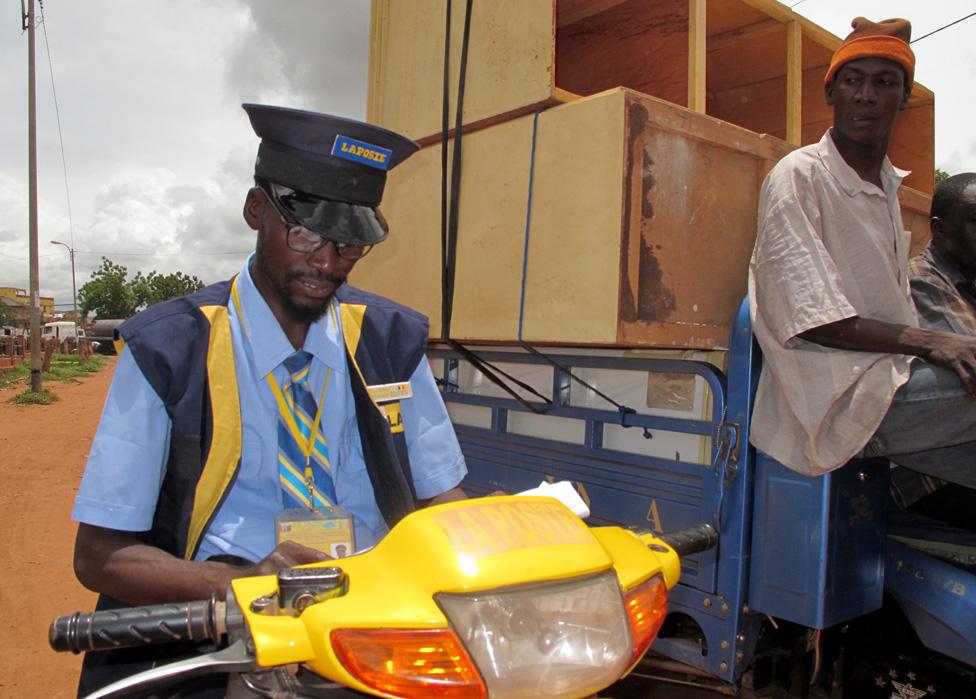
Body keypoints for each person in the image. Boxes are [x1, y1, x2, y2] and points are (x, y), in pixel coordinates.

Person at [70, 104, 468, 696]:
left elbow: (444, 500)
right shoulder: (170, 349)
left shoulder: (390, 341)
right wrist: (245, 584)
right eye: (306, 233)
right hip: (226, 637)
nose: (328, 264)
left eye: (349, 246)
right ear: (257, 210)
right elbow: (100, 557)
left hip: (372, 637)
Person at [748, 17, 976, 493]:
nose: (867, 96)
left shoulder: (886, 188)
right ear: (832, 93)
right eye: (853, 81)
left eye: (884, 83)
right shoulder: (802, 176)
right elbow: (812, 319)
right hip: (836, 400)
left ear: (904, 97)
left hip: (891, 381)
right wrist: (935, 342)